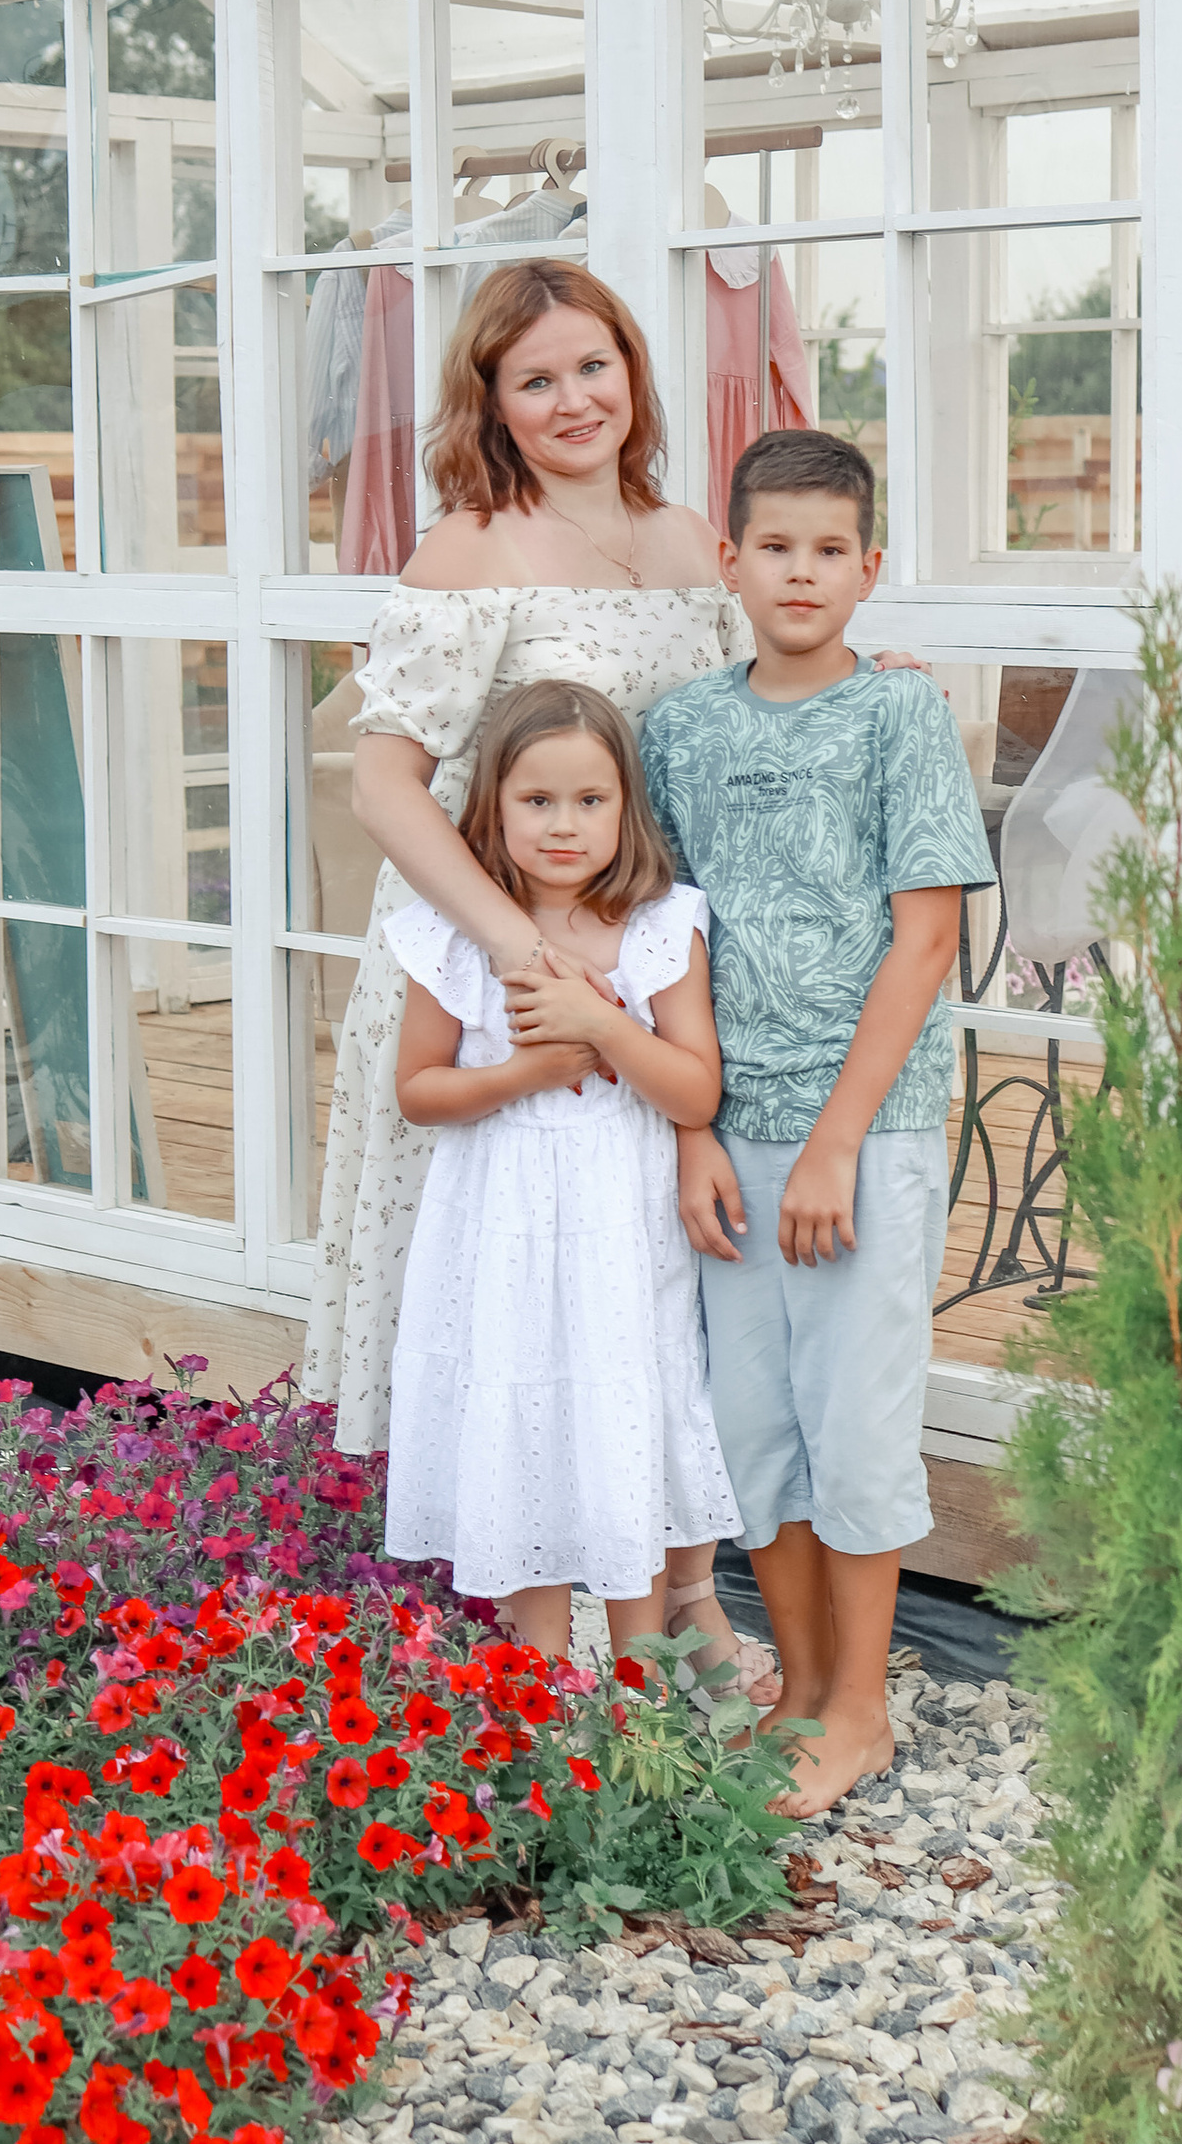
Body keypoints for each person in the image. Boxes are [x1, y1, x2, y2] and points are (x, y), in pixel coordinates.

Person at [302, 261, 760, 1685]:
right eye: (536, 379)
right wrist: (516, 951)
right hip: (498, 967)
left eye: (594, 367)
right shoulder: (469, 550)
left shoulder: (686, 537)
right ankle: (516, 1578)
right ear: (492, 404)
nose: (575, 401)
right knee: (514, 1281)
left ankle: (680, 1586)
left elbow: (739, 717)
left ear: (634, 371)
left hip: (649, 956)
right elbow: (384, 785)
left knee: (645, 1285)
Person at [637, 429, 995, 1820]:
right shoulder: (681, 729)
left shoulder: (901, 718)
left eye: (829, 550)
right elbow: (665, 945)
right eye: (774, 547)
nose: (801, 573)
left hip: (870, 1131)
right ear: (728, 559)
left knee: (856, 1423)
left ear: (869, 568)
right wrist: (692, 1131)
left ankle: (861, 1708)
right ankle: (793, 1689)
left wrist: (842, 1136)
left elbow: (923, 943)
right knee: (751, 1427)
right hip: (731, 1132)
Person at [383, 681, 738, 1649]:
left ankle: (637, 1686)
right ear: (493, 809)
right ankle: (532, 1687)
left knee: (622, 1413)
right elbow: (418, 1090)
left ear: (627, 809)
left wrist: (602, 1027)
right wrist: (526, 1070)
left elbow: (694, 1093)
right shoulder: (455, 936)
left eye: (590, 801)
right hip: (496, 1227)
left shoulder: (661, 929)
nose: (564, 826)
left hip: (620, 1232)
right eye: (536, 802)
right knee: (517, 1416)